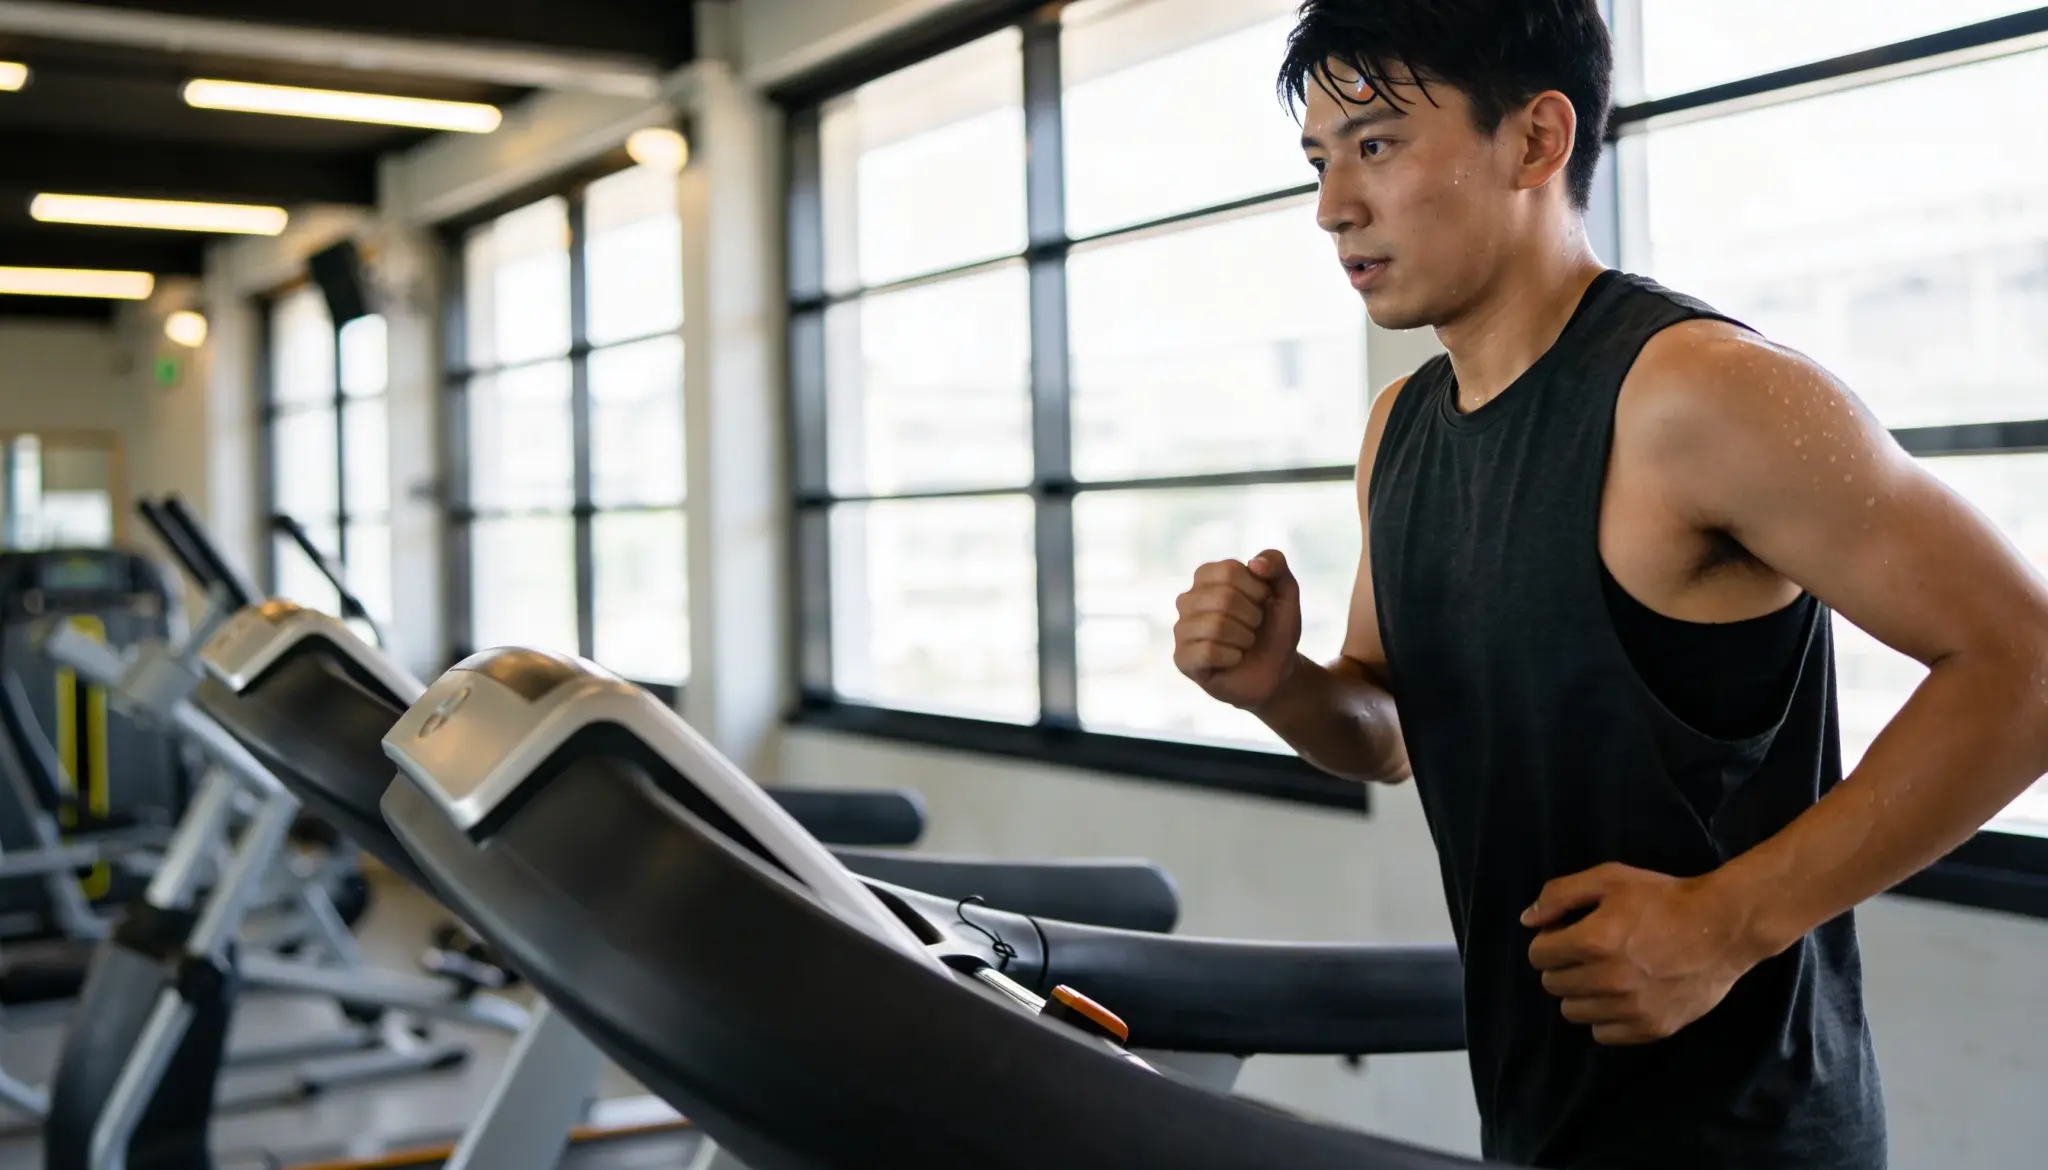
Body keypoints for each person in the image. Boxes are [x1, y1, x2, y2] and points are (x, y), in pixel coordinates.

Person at [1171, 2, 2048, 1168]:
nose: (1332, 206)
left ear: (1535, 139)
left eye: (1375, 145)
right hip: (1534, 1118)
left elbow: (2024, 665)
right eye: (1318, 160)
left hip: (1750, 1142)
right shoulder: (1400, 430)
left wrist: (1724, 922)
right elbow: (1389, 731)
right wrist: (1279, 685)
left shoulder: (1701, 393)